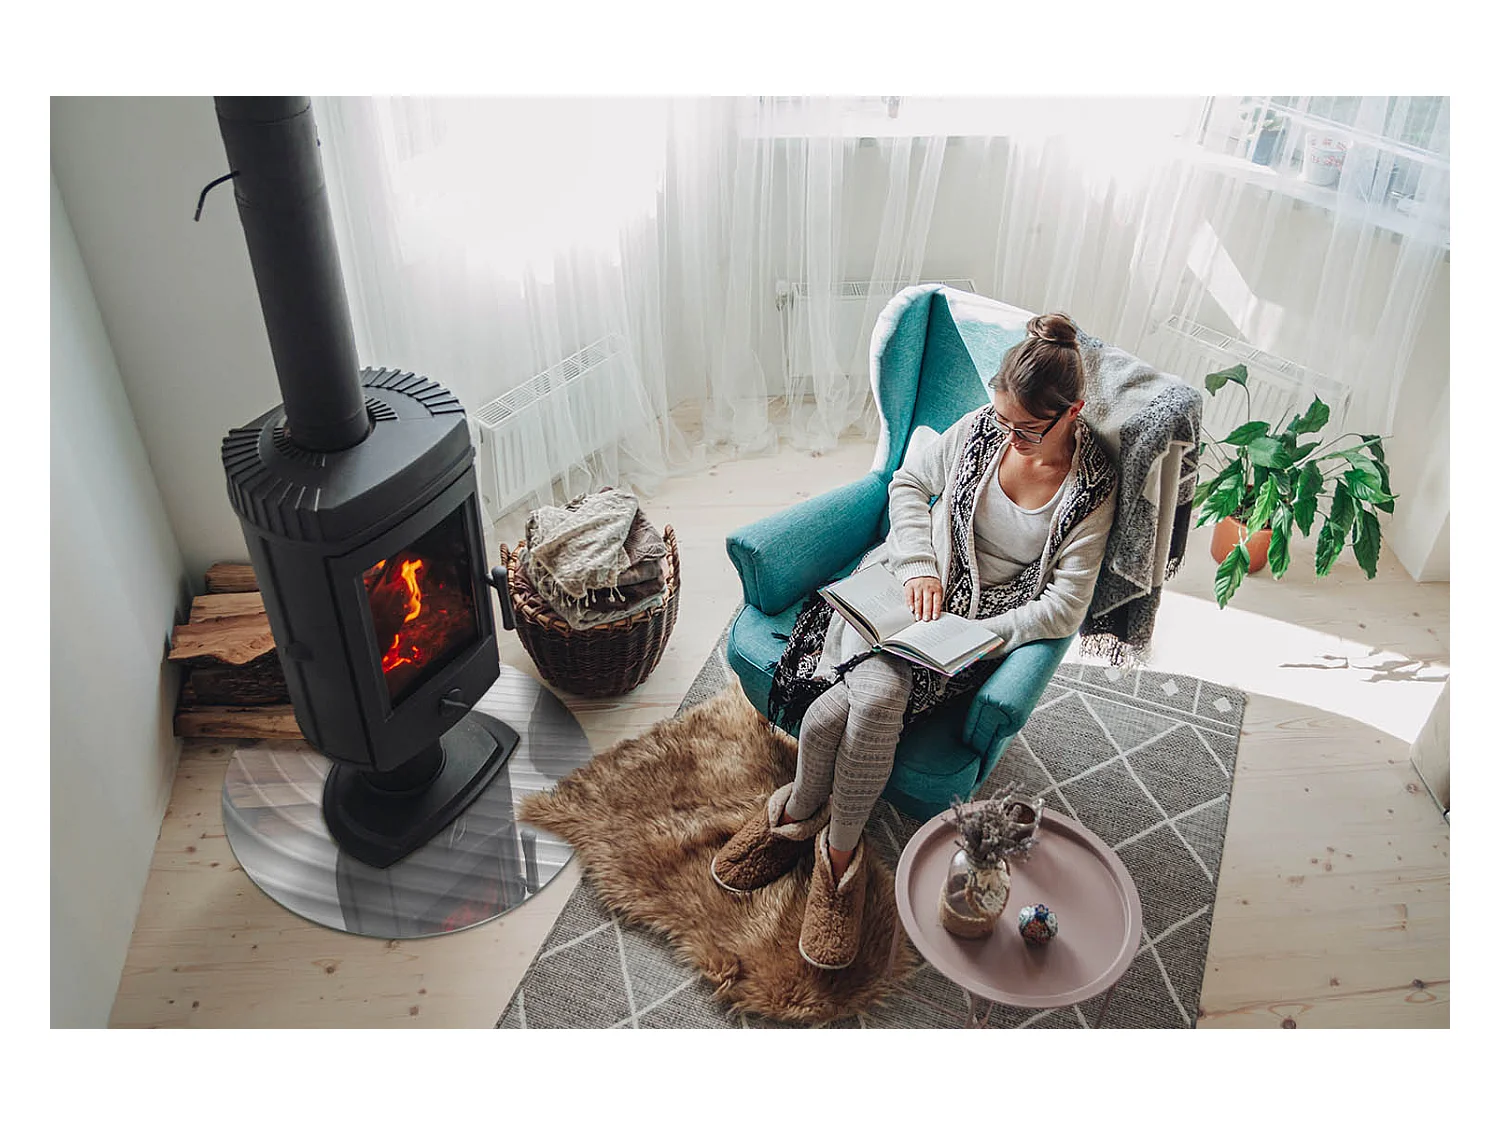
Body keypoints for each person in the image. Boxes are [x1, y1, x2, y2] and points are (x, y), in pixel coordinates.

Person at [710, 312, 1120, 970]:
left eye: (1025, 429)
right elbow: (907, 483)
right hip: (906, 586)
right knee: (865, 703)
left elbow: (1065, 605)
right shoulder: (984, 426)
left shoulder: (1092, 488)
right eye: (1002, 419)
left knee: (847, 711)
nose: (1008, 437)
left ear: (1071, 413)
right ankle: (826, 846)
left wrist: (982, 635)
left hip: (977, 630)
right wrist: (919, 567)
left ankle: (812, 836)